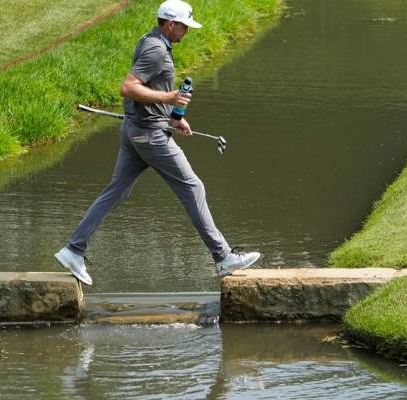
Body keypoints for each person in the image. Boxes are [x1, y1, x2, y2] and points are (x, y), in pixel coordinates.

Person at [55, 0, 260, 285]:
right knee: (193, 187)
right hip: (149, 136)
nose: (187, 31)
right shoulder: (155, 49)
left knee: (116, 191)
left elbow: (147, 89)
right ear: (171, 23)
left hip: (135, 130)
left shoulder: (151, 40)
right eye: (184, 26)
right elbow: (129, 87)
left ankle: (73, 250)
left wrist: (173, 117)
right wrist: (169, 99)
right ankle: (223, 257)